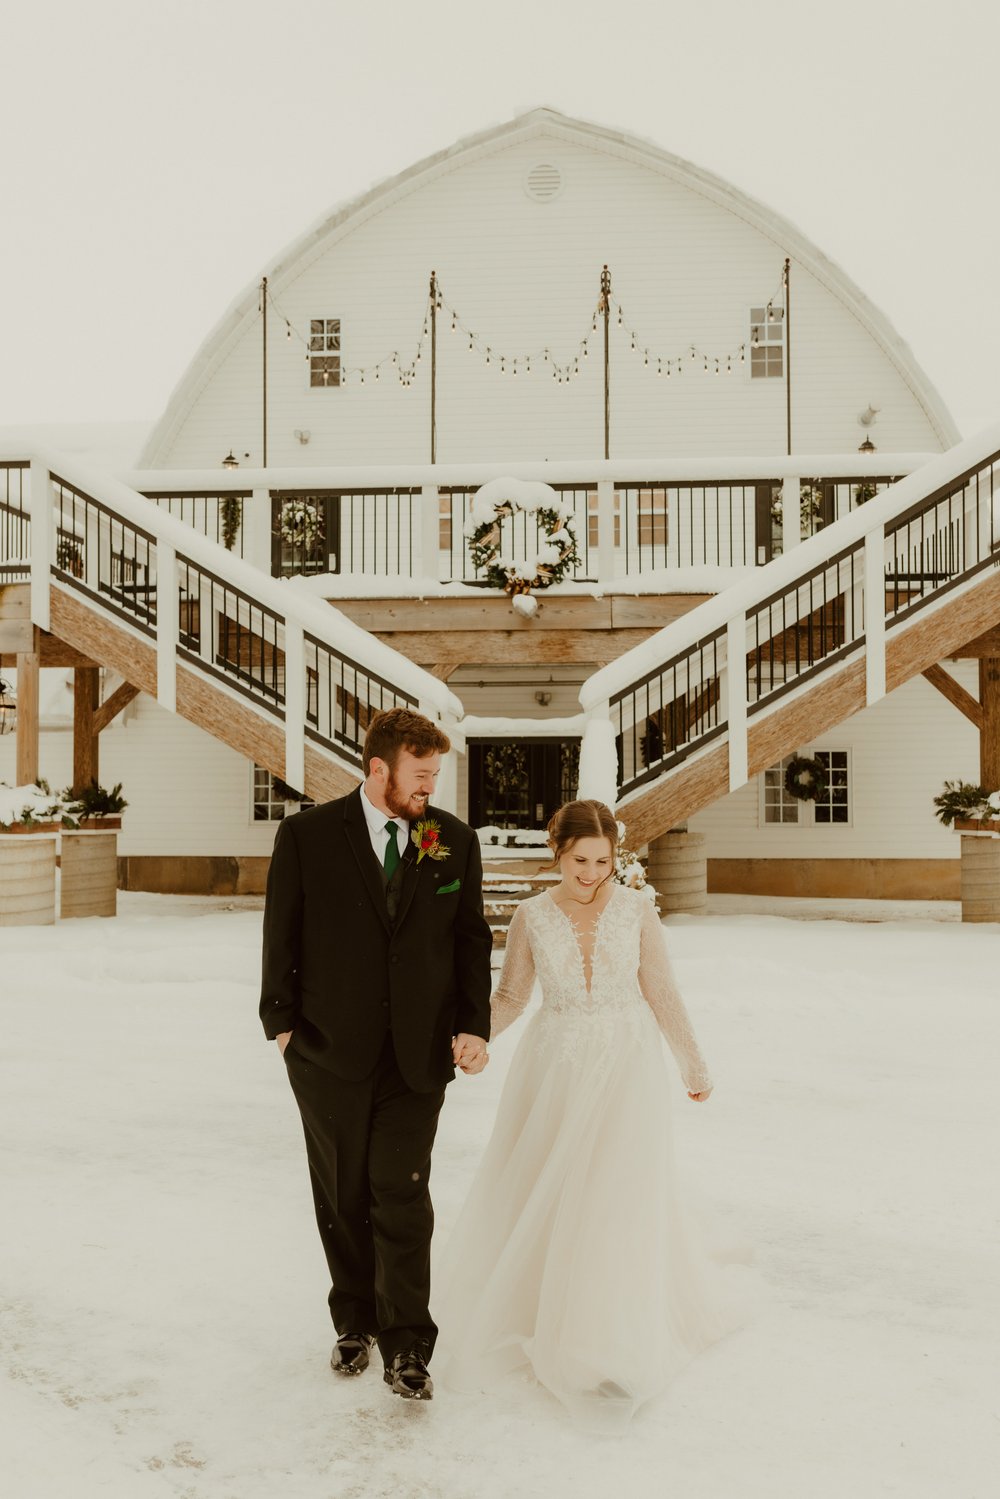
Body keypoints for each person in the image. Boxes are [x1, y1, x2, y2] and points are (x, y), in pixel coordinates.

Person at [436, 798, 736, 1429]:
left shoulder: (635, 909)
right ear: (558, 853)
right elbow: (513, 993)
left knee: (615, 1194)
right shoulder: (530, 916)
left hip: (626, 1066)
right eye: (579, 861)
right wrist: (478, 1036)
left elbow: (660, 988)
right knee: (554, 1186)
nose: (591, 873)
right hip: (556, 1068)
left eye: (602, 861)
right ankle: (545, 1313)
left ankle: (610, 1336)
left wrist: (693, 1063)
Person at [259, 707, 494, 1401]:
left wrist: (473, 1024)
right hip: (326, 1050)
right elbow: (282, 930)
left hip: (419, 1054)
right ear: (378, 768)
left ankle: (409, 1343)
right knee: (343, 1191)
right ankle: (354, 1320)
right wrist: (282, 1025)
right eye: (419, 777)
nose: (430, 789)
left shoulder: (452, 840)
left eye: (435, 777)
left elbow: (470, 940)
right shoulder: (306, 836)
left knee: (401, 1188)